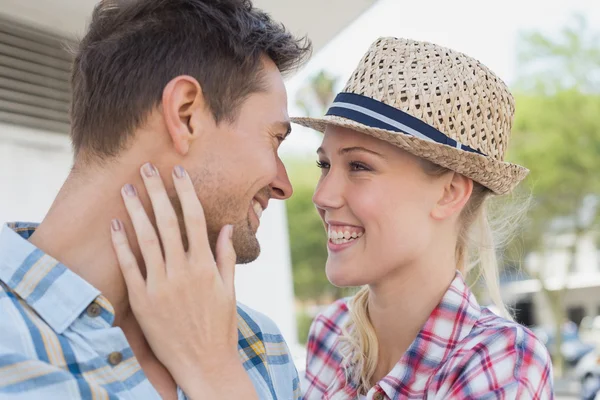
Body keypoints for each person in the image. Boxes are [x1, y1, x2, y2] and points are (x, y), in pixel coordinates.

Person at [0, 0, 310, 398]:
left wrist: (217, 375)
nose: (285, 185)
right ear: (185, 115)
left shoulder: (259, 345)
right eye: (275, 139)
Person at [293, 37, 554, 399]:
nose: (322, 196)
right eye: (325, 165)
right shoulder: (330, 335)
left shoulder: (501, 359)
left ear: (449, 193)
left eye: (359, 166)